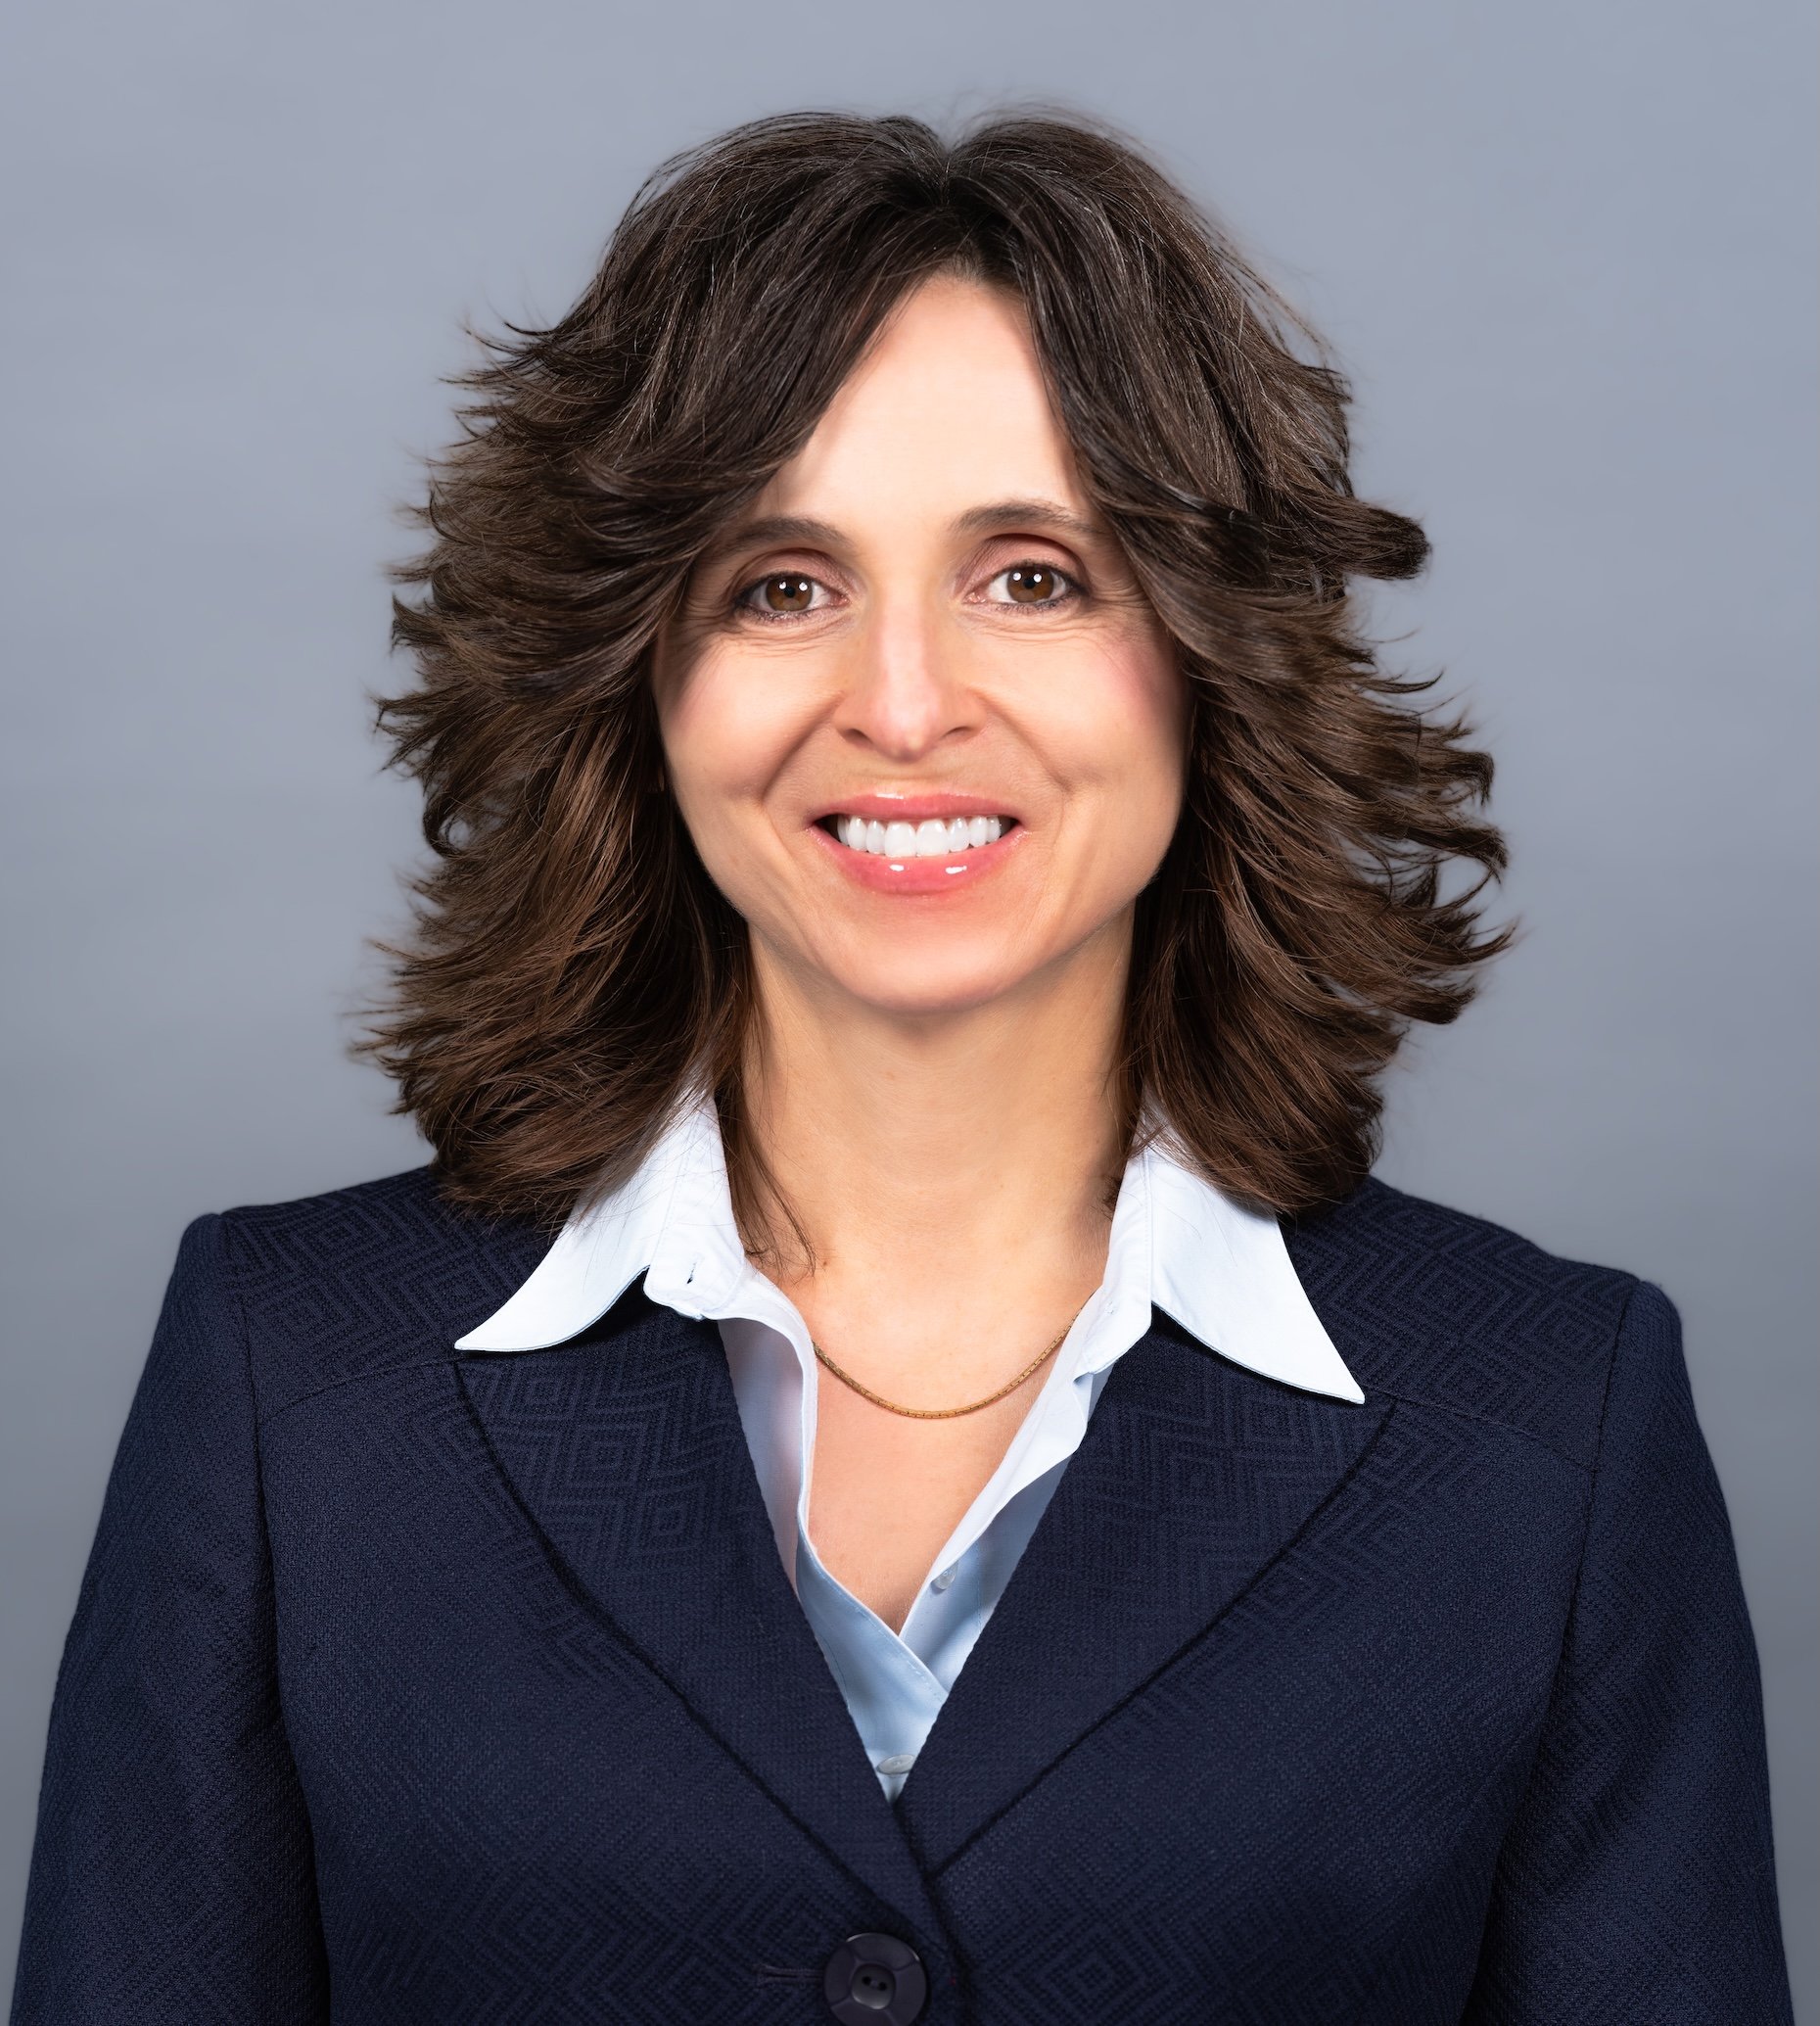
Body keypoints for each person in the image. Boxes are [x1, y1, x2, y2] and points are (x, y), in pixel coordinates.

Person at [11, 111, 1793, 2026]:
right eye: (783, 584)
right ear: (642, 677)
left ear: (1207, 657)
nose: (909, 699)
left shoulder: (1551, 1428)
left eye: (1033, 576)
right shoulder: (292, 1381)